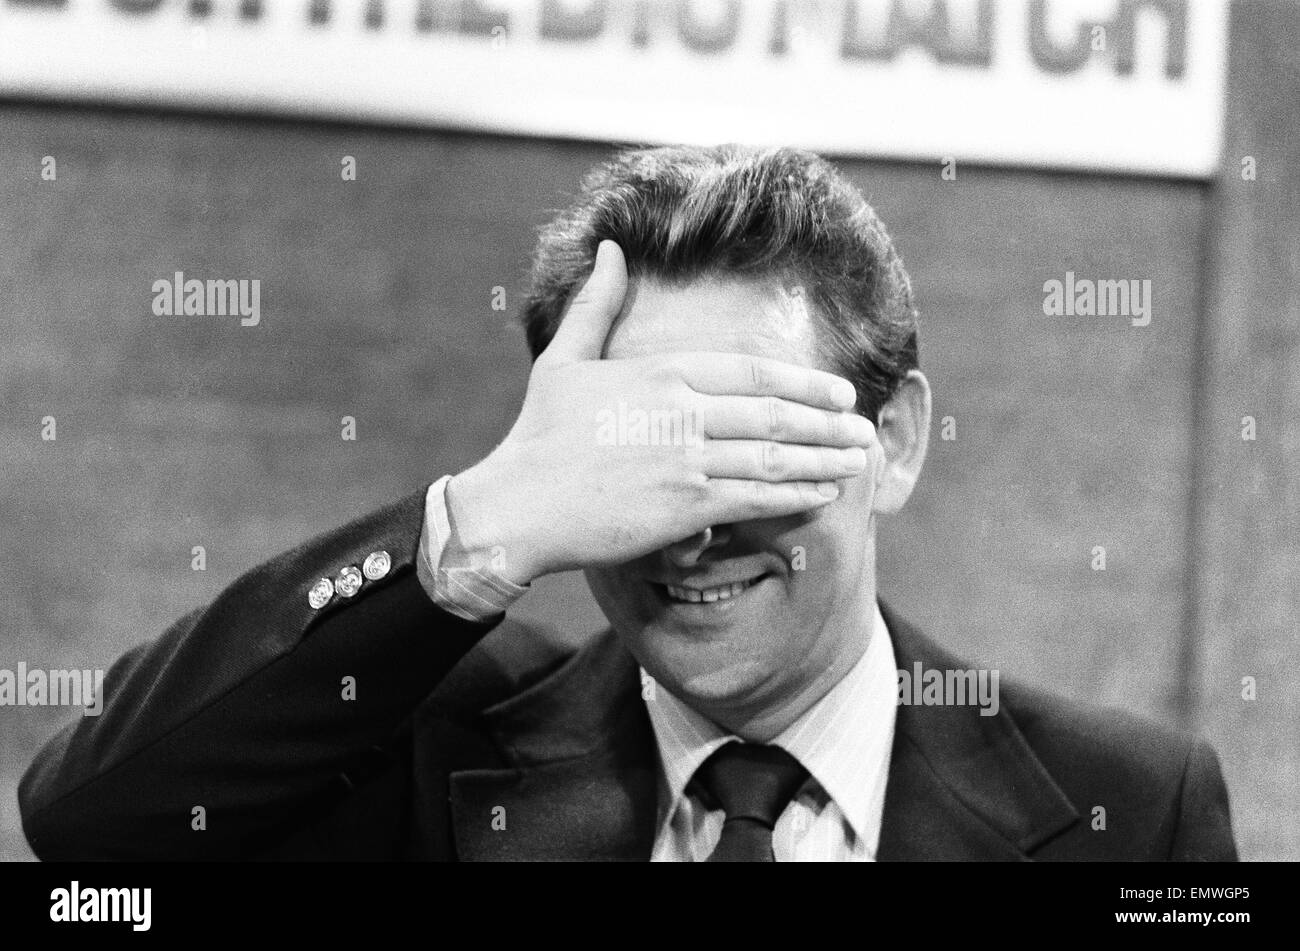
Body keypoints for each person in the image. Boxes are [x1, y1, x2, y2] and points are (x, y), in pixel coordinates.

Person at [19, 145, 1236, 861]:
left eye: (742, 446)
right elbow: (89, 830)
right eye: (635, 459)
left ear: (894, 441)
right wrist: (478, 529)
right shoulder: (424, 750)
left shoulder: (1129, 813)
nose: (690, 528)